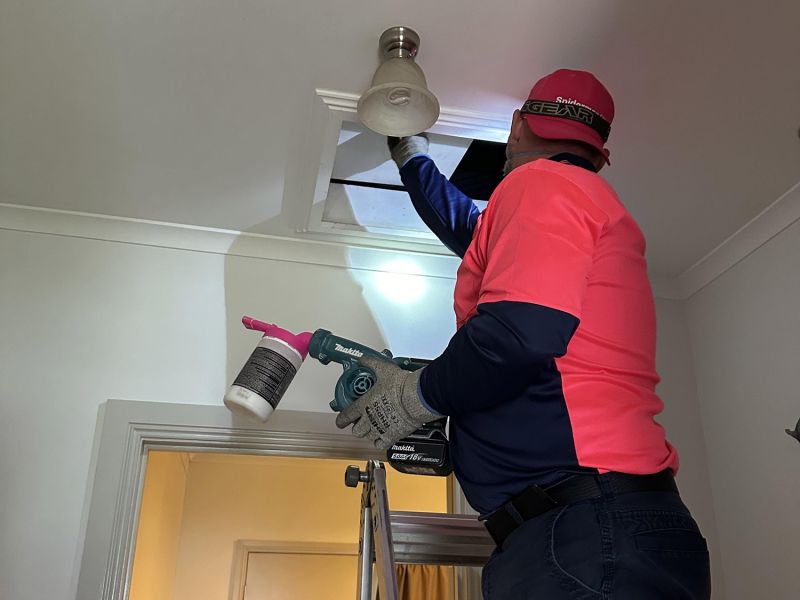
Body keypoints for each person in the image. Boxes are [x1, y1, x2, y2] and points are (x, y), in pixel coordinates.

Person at [336, 69, 711, 599]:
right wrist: (411, 153)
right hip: (604, 527)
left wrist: (416, 396)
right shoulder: (573, 199)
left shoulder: (539, 183)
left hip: (586, 530)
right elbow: (464, 224)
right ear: (600, 154)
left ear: (515, 127)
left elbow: (518, 334)